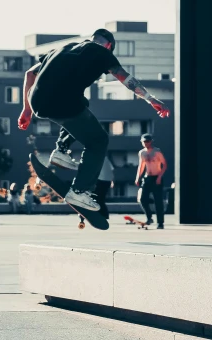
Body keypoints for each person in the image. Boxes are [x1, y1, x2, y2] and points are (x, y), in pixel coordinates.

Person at [18, 28, 170, 213]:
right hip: (62, 102)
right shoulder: (102, 53)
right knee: (99, 140)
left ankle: (61, 151)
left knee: (82, 102)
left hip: (37, 102)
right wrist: (150, 98)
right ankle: (79, 190)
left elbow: (30, 74)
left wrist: (26, 109)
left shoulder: (64, 48)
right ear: (108, 46)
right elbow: (124, 77)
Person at [135, 134, 167, 229]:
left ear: (151, 141)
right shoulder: (142, 153)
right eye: (144, 142)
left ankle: (160, 223)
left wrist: (159, 177)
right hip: (147, 177)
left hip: (156, 177)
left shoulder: (157, 152)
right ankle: (149, 217)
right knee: (143, 199)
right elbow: (141, 166)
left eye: (148, 141)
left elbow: (164, 165)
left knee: (158, 201)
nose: (146, 143)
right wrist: (138, 178)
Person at [95, 155, 114, 219]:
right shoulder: (105, 158)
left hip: (101, 180)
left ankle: (103, 214)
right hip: (107, 181)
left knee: (97, 198)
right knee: (101, 199)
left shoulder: (94, 158)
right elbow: (111, 170)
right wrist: (112, 180)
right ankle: (104, 214)